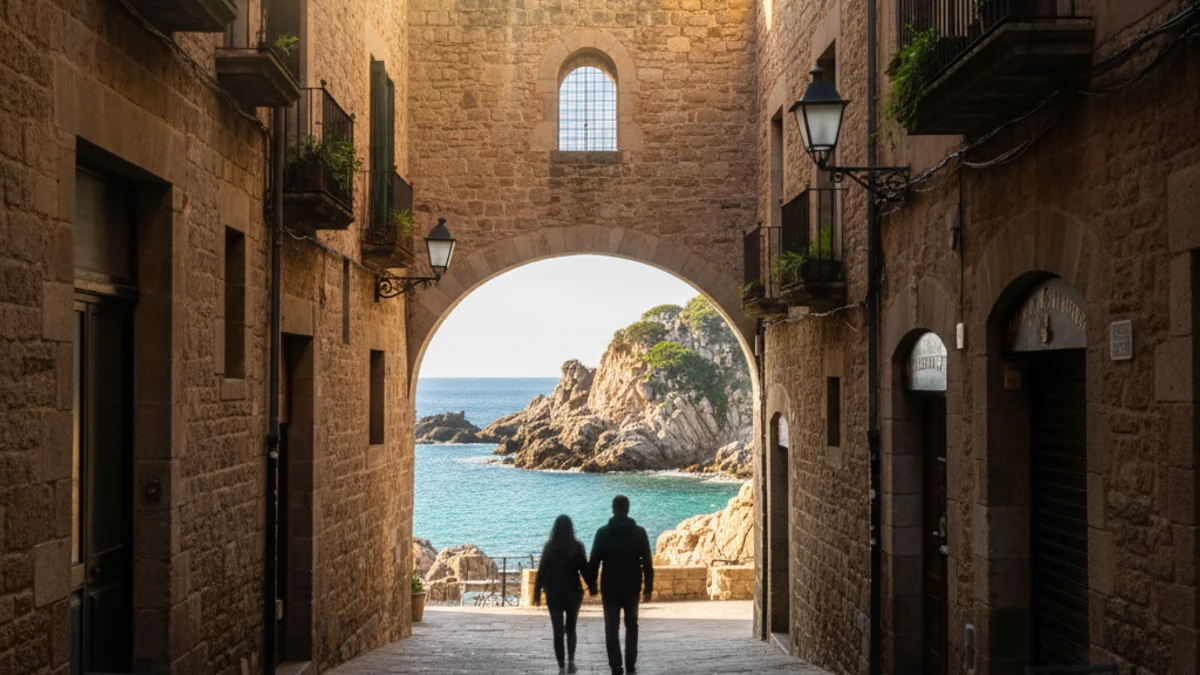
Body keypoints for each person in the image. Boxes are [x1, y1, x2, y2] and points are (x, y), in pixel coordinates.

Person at [589, 495, 654, 675]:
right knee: (632, 627)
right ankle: (631, 666)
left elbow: (594, 561)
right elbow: (647, 562)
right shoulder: (640, 533)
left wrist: (592, 585)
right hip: (632, 586)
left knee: (611, 628)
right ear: (628, 509)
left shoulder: (602, 533)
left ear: (613, 509)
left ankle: (616, 667)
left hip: (610, 588)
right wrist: (648, 588)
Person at [534, 514, 596, 675]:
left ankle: (561, 667)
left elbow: (541, 572)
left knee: (558, 631)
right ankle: (571, 661)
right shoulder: (577, 547)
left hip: (553, 594)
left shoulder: (549, 547)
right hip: (573, 594)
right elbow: (585, 569)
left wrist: (536, 594)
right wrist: (593, 586)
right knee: (571, 628)